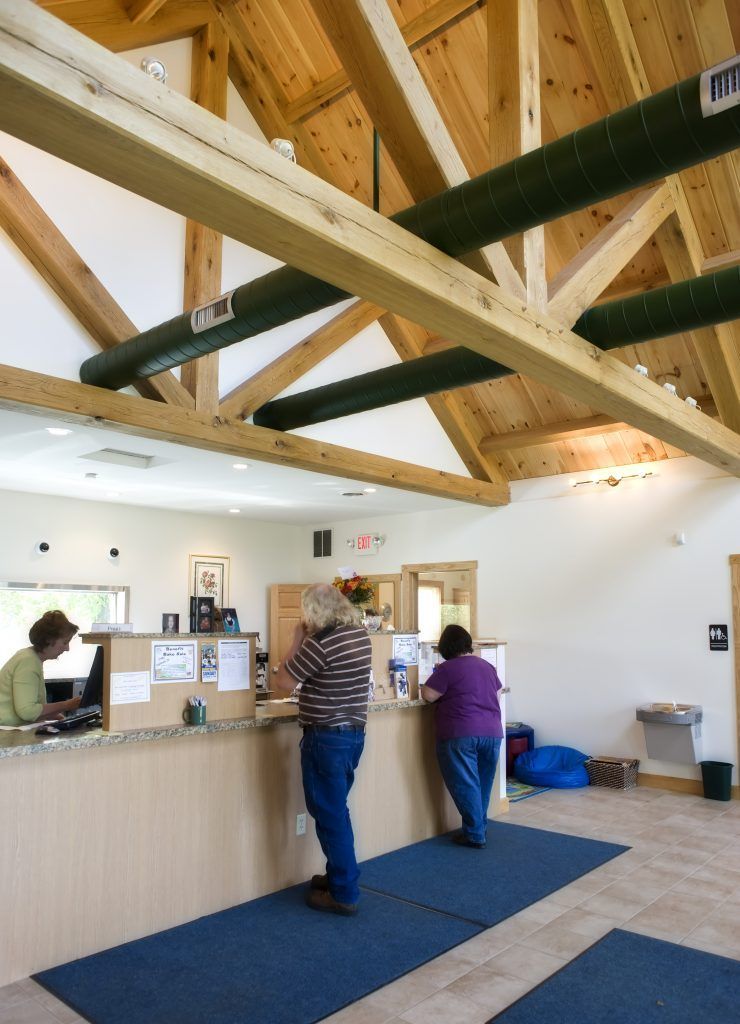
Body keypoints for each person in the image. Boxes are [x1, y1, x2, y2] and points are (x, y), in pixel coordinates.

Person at [273, 584, 372, 916]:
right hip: (353, 736)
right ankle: (336, 876)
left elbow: (283, 682)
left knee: (331, 815)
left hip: (325, 738)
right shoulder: (359, 636)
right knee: (336, 810)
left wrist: (297, 639)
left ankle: (344, 892)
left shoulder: (321, 644)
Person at [421, 624, 503, 849]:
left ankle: (475, 833)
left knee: (466, 784)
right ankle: (478, 827)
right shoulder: (487, 667)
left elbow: (428, 696)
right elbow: (497, 695)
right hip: (492, 732)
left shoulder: (447, 669)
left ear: (445, 647)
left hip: (461, 733)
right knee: (482, 783)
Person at [0, 610, 82, 726]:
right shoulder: (28, 661)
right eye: (65, 642)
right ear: (49, 640)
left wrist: (60, 718)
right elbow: (27, 711)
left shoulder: (30, 658)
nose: (67, 648)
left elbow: (36, 709)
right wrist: (67, 705)